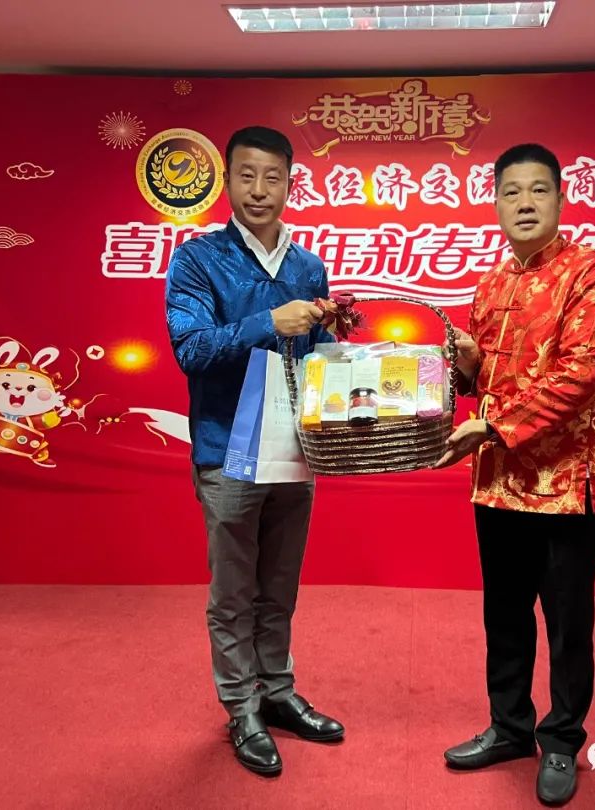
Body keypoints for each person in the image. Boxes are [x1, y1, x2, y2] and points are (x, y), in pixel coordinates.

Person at [436, 143, 595, 806]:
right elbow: (481, 383)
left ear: (560, 199)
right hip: (498, 482)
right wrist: (465, 367)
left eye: (538, 190)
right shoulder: (491, 283)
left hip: (568, 486)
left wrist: (489, 426)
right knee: (505, 614)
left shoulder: (594, 272)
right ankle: (510, 726)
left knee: (568, 623)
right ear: (495, 203)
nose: (524, 203)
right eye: (511, 191)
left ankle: (563, 739)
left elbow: (580, 374)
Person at [164, 125, 344, 777]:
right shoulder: (197, 260)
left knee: (280, 584)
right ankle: (240, 707)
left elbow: (316, 358)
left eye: (273, 177)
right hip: (228, 451)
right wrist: (269, 322)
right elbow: (191, 350)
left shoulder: (307, 267)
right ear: (227, 180)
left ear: (291, 183)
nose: (259, 189)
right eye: (246, 175)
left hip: (294, 450)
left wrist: (344, 351)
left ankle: (278, 690)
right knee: (233, 590)